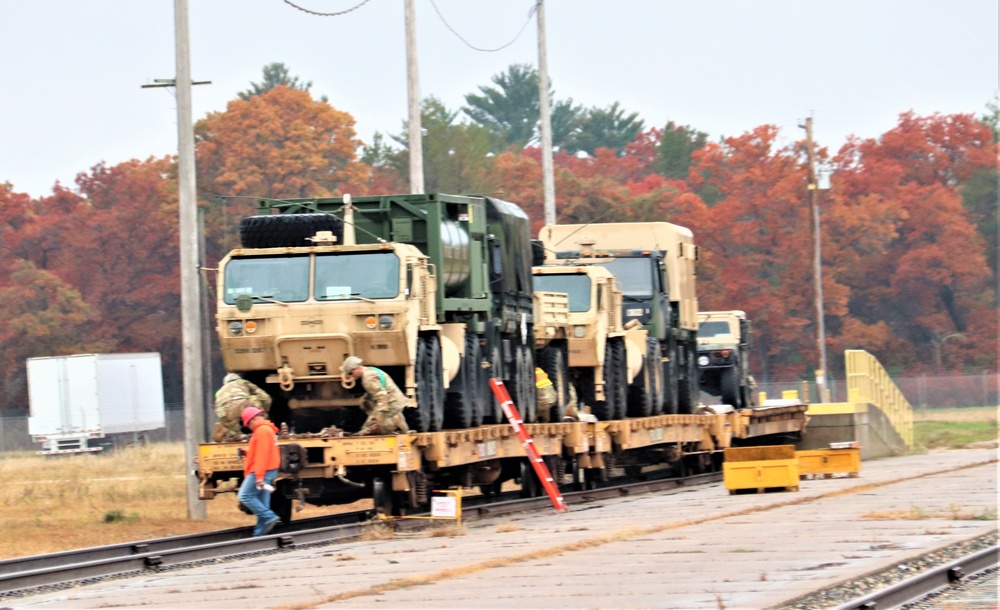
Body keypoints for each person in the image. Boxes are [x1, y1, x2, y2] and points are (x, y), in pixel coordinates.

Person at [237, 406, 282, 537]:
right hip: (269, 470)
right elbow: (261, 451)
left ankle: (270, 517)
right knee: (263, 503)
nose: (248, 427)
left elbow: (262, 455)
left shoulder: (262, 431)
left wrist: (259, 476)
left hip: (262, 471)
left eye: (248, 424)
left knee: (244, 495)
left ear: (254, 419)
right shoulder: (267, 430)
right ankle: (259, 535)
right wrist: (246, 452)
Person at [341, 356, 410, 436]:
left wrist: (377, 419)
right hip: (397, 400)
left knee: (371, 430)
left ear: (356, 368)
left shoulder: (368, 379)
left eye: (350, 373)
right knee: (366, 403)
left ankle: (393, 421)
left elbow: (382, 396)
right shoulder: (371, 370)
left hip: (392, 404)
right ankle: (399, 422)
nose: (351, 376)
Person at [213, 372, 272, 442]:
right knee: (255, 399)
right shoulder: (242, 382)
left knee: (230, 421)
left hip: (221, 413)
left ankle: (232, 433)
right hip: (240, 404)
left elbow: (219, 403)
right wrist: (264, 412)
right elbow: (265, 397)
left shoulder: (222, 389)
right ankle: (261, 429)